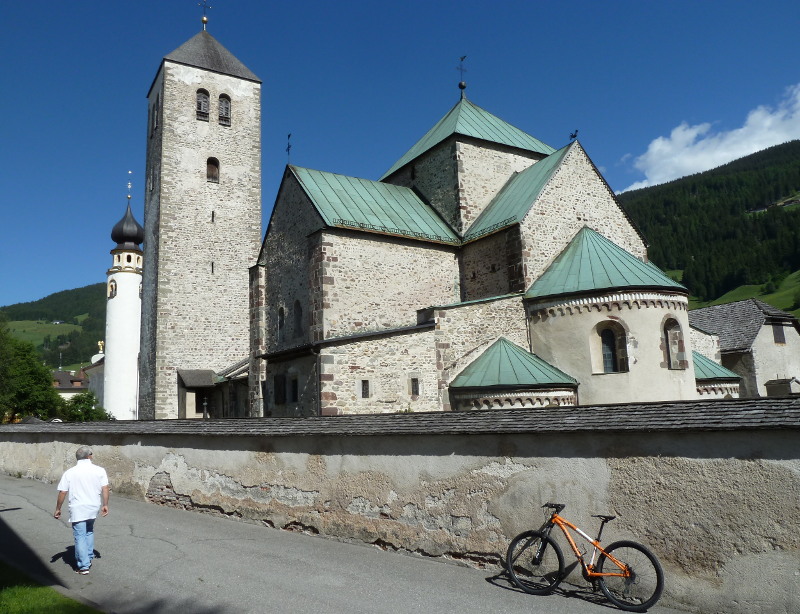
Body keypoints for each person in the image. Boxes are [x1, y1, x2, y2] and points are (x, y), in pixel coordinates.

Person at [54, 446, 110, 574]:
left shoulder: (70, 472)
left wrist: (58, 508)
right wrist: (105, 504)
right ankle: (88, 556)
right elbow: (105, 488)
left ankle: (83, 565)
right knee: (89, 531)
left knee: (80, 536)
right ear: (89, 456)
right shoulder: (99, 470)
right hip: (93, 506)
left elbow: (63, 492)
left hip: (78, 508)